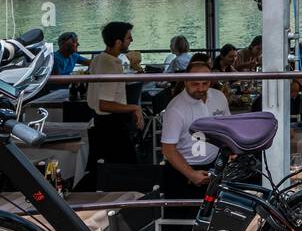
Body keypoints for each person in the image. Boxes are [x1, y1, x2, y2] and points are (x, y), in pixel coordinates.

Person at [159, 55, 230, 199]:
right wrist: (191, 174)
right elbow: (168, 149)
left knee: (214, 215)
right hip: (182, 170)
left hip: (215, 164)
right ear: (185, 81)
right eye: (195, 84)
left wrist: (231, 150)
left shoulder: (219, 97)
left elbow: (227, 127)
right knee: (184, 217)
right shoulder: (176, 108)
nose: (200, 88)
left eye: (205, 83)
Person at [86, 20, 143, 173]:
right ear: (118, 42)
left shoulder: (98, 58)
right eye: (129, 37)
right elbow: (105, 104)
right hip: (112, 124)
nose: (131, 40)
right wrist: (134, 107)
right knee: (127, 169)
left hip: (100, 123)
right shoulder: (111, 65)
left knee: (111, 167)